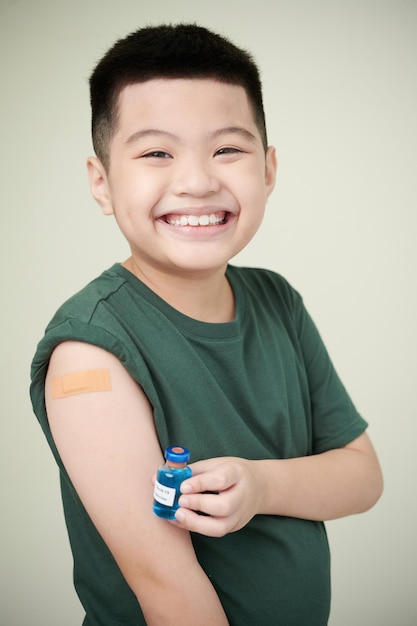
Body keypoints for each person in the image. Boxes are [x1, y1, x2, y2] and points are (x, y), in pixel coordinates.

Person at [30, 23, 383, 626]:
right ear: (101, 182)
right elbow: (167, 592)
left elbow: (362, 477)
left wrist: (260, 487)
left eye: (228, 149)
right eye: (156, 153)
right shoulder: (89, 353)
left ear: (268, 169)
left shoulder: (277, 301)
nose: (197, 181)